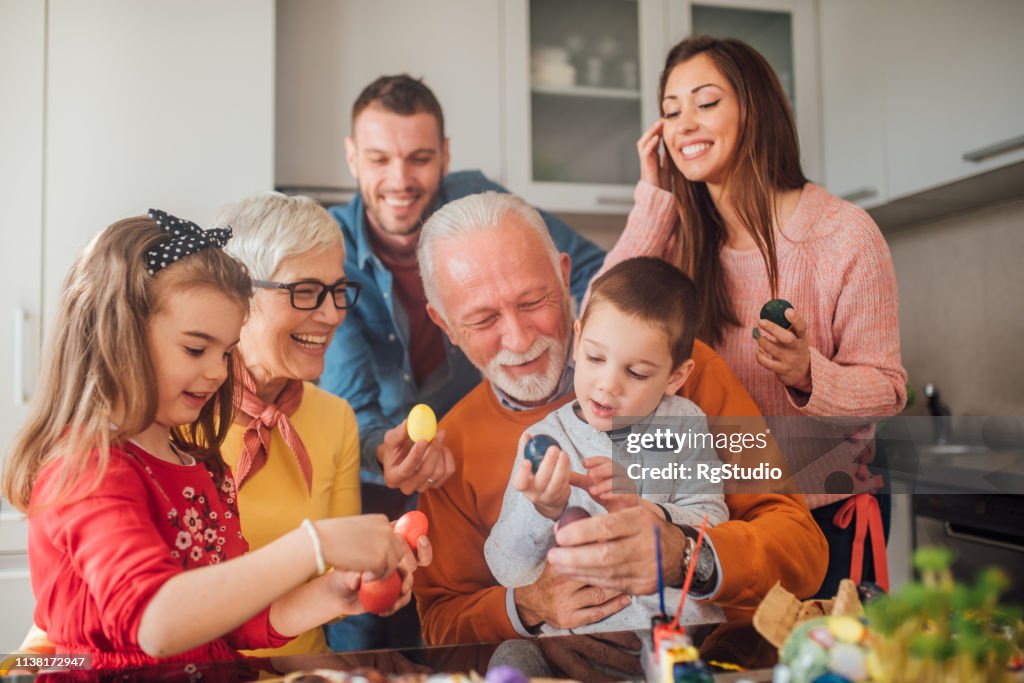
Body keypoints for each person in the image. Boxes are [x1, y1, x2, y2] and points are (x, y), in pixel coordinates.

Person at [0, 211, 416, 669]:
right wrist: (312, 544)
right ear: (120, 336)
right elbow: (155, 622)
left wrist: (332, 595)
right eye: (196, 349)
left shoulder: (195, 463)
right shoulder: (89, 468)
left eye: (225, 351)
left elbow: (231, 620)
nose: (219, 371)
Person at [412, 191, 827, 645]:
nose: (517, 336)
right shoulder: (450, 449)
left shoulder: (684, 377)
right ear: (445, 324)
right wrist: (526, 605)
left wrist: (685, 554)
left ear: (564, 276)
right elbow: (440, 624)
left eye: (532, 301)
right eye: (483, 318)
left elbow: (801, 549)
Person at [603, 36, 907, 596]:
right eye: (671, 110)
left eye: (706, 102)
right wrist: (653, 197)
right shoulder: (683, 243)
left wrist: (806, 374)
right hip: (718, 517)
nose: (684, 122)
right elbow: (601, 327)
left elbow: (887, 389)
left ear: (755, 107)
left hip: (823, 515)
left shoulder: (844, 235)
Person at [320, 74, 606, 494]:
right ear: (352, 157)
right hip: (395, 470)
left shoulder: (658, 381)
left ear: (445, 155)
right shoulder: (333, 254)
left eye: (419, 158)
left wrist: (602, 360)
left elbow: (597, 270)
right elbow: (352, 404)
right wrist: (385, 452)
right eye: (379, 160)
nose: (400, 180)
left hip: (495, 446)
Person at [485, 257, 727, 633]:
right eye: (596, 357)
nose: (607, 385)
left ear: (675, 377)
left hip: (681, 639)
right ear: (578, 341)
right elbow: (506, 568)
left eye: (636, 373)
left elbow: (715, 522)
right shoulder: (544, 441)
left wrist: (645, 509)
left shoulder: (684, 423)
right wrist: (541, 509)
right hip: (578, 645)